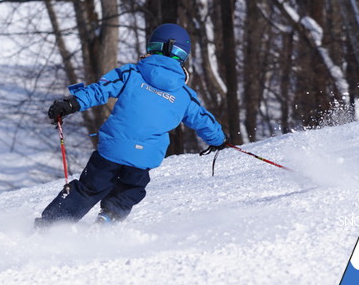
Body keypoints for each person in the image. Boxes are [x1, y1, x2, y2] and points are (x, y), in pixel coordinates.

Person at [35, 23, 226, 227]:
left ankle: (50, 225)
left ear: (152, 46)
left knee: (89, 189)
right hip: (144, 157)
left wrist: (71, 103)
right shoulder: (183, 95)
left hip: (112, 149)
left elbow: (100, 90)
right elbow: (203, 120)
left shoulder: (132, 74)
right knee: (130, 190)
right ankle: (108, 219)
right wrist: (219, 140)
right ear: (183, 55)